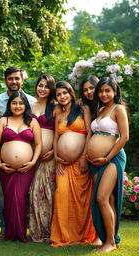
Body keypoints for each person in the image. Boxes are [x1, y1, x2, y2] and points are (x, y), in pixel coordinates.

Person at [51, 81, 97, 247]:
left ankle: (81, 234)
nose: (62, 97)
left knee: (81, 199)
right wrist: (56, 158)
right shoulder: (60, 116)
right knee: (61, 193)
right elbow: (56, 138)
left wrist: (85, 156)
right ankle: (64, 235)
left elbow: (89, 133)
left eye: (65, 93)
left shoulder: (82, 109)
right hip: (63, 164)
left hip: (80, 162)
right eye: (58, 95)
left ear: (71, 93)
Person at [0, 66, 36, 239]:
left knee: (24, 195)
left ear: (22, 79)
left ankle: (23, 228)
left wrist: (33, 160)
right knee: (3, 195)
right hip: (4, 161)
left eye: (17, 78)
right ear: (5, 80)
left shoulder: (32, 101)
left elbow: (36, 136)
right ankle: (5, 228)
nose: (14, 82)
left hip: (27, 163)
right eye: (10, 78)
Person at [87, 77, 129, 252]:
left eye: (107, 91)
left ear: (114, 91)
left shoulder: (118, 109)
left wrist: (106, 157)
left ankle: (110, 242)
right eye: (101, 91)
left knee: (101, 198)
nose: (104, 94)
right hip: (96, 162)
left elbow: (124, 137)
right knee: (106, 199)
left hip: (112, 159)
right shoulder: (101, 109)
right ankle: (106, 237)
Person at [29, 74, 60, 242]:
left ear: (51, 90)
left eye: (46, 86)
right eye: (40, 85)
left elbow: (60, 131)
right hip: (33, 157)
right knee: (34, 193)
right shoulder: (29, 106)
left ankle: (50, 230)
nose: (42, 89)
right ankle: (37, 231)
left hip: (50, 157)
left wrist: (54, 150)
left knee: (49, 193)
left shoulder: (55, 108)